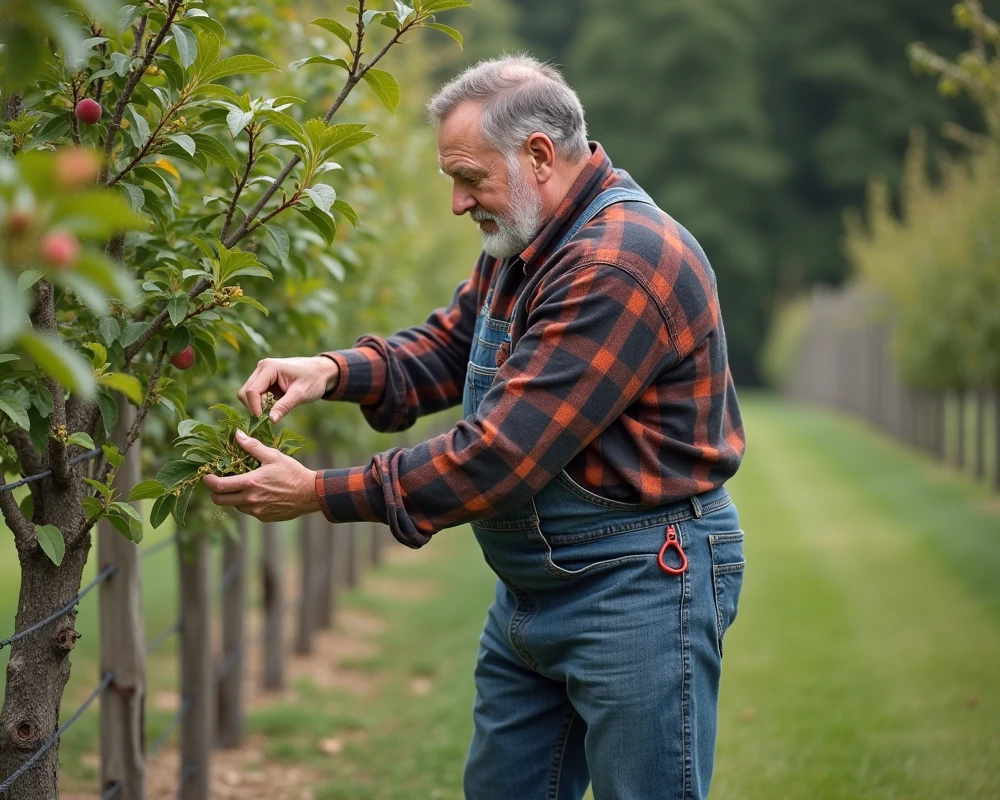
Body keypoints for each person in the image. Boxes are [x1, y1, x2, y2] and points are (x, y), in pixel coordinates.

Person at [203, 54, 747, 800]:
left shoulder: (619, 262)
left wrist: (319, 493)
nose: (459, 203)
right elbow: (455, 344)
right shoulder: (527, 240)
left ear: (539, 156)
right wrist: (333, 370)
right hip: (535, 586)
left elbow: (498, 458)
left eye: (468, 178)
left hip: (639, 583)